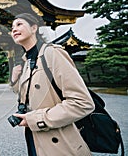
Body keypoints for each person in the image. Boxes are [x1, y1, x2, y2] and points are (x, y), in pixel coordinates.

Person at [9, 13, 95, 156]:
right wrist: (14, 79)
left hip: (60, 141)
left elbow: (83, 102)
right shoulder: (27, 61)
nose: (14, 30)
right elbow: (24, 93)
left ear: (34, 28)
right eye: (12, 27)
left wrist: (35, 119)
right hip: (35, 137)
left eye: (19, 24)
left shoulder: (52, 53)